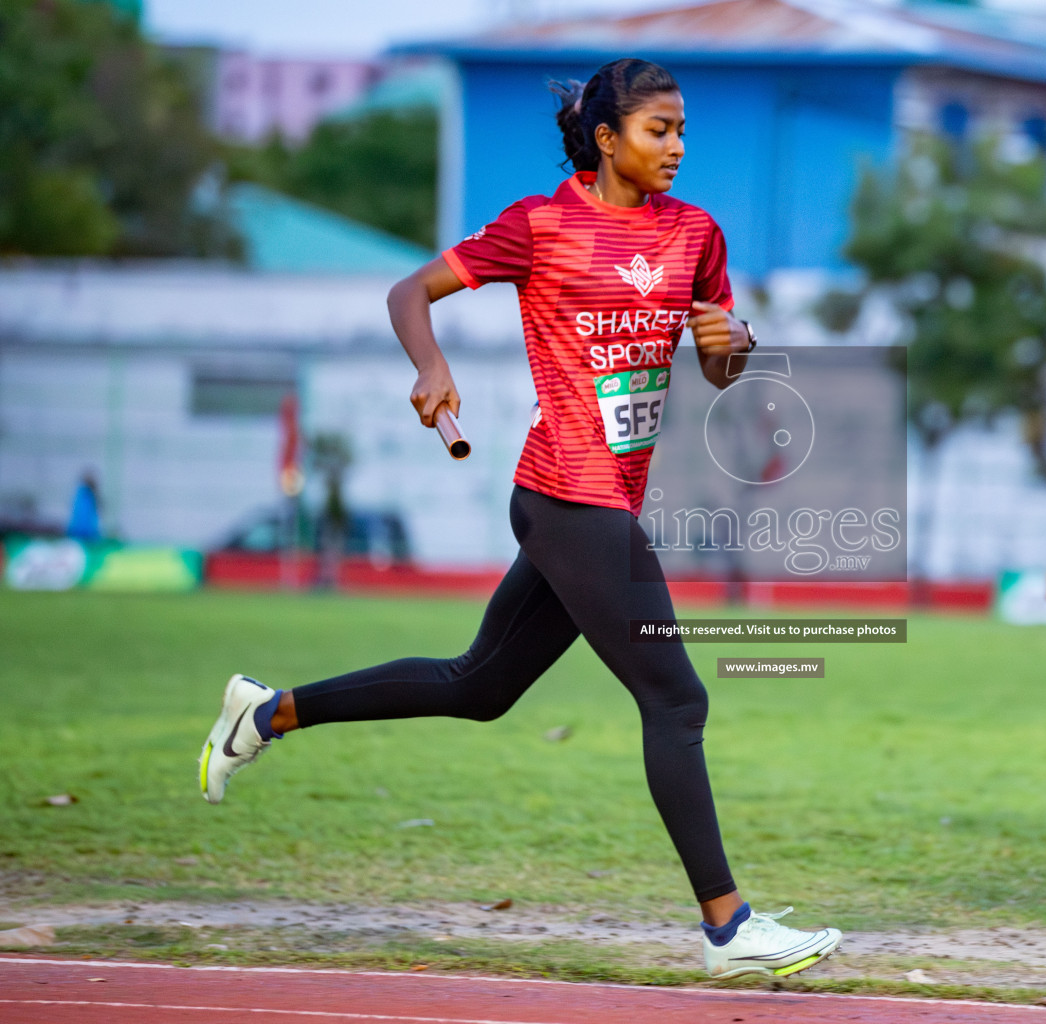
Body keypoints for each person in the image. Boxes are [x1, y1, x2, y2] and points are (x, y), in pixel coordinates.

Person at [196, 58, 841, 980]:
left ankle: (267, 714)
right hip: (562, 491)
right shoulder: (540, 225)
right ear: (610, 138)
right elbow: (407, 292)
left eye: (684, 131)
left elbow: (723, 367)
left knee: (479, 686)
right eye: (661, 130)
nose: (678, 147)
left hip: (608, 496)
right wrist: (430, 368)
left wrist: (736, 343)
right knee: (677, 697)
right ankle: (729, 928)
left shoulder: (697, 234)